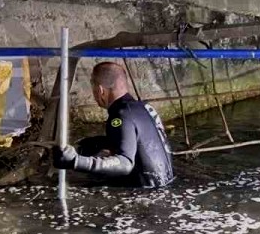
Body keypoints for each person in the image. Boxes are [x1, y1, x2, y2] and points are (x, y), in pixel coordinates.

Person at [50, 61, 175, 189]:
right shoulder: (143, 107)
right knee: (91, 144)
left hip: (145, 195)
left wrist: (75, 161)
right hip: (166, 184)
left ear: (100, 90)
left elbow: (125, 164)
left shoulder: (121, 115)